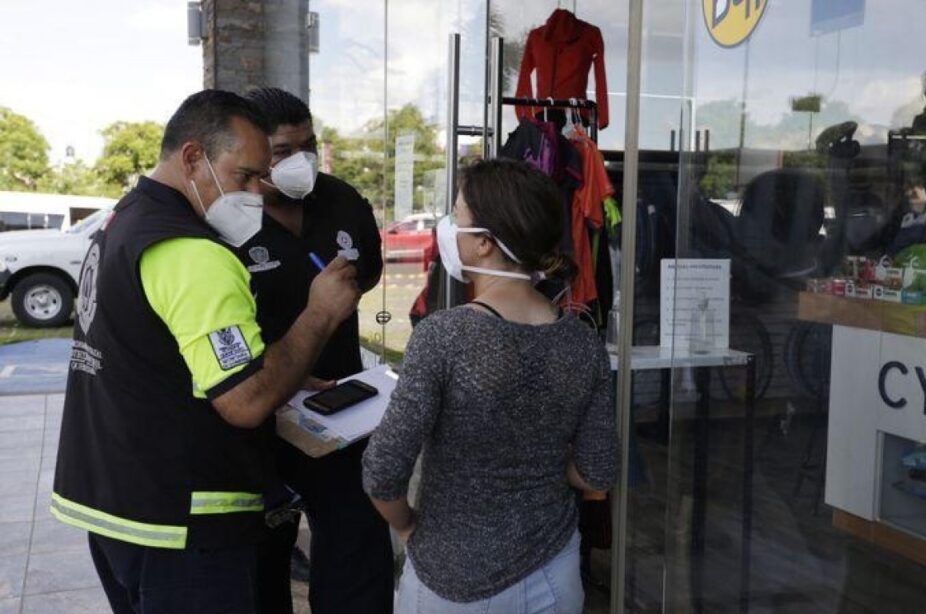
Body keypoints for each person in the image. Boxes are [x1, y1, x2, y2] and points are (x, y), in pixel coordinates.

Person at [50, 90, 361, 614]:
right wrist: (320, 314)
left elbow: (160, 356)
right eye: (243, 177)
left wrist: (273, 367)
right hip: (182, 523)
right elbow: (245, 403)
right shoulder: (193, 253)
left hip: (116, 503)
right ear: (193, 157)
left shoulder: (123, 222)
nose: (256, 195)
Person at [362, 159, 619, 613]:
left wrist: (406, 529)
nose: (447, 227)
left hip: (449, 580)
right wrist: (535, 463)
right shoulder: (582, 340)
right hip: (553, 575)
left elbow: (383, 472)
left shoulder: (444, 337)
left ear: (483, 243)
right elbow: (597, 471)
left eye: (456, 216)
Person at [237, 87, 392, 614]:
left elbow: (365, 275)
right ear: (253, 152)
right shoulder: (225, 220)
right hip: (256, 411)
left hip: (340, 409)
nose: (299, 161)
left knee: (356, 540)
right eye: (282, 151)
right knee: (261, 558)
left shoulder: (343, 201)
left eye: (309, 145)